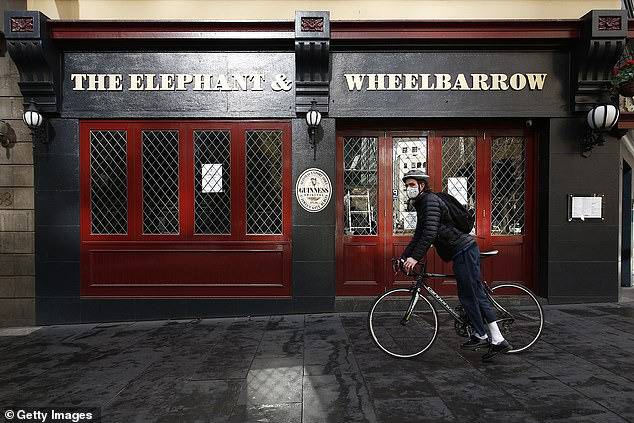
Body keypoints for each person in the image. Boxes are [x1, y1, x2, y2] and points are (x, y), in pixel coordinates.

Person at [399, 169, 512, 361]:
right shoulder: (422, 204)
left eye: (412, 185)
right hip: (459, 252)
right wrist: (404, 256)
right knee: (467, 295)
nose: (408, 188)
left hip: (464, 250)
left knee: (475, 295)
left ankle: (498, 339)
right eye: (407, 185)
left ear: (422, 185)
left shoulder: (430, 201)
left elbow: (429, 234)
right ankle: (479, 334)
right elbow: (419, 234)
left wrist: (415, 258)